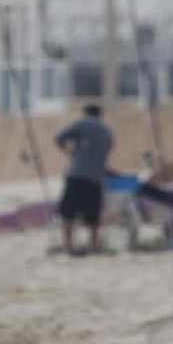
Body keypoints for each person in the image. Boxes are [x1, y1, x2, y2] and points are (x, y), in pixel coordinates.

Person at [54, 103, 115, 255]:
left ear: (85, 113)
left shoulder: (82, 124)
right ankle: (92, 247)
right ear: (100, 114)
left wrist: (70, 153)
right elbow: (109, 148)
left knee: (68, 212)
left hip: (77, 174)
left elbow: (59, 138)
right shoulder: (106, 130)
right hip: (96, 177)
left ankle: (68, 246)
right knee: (93, 215)